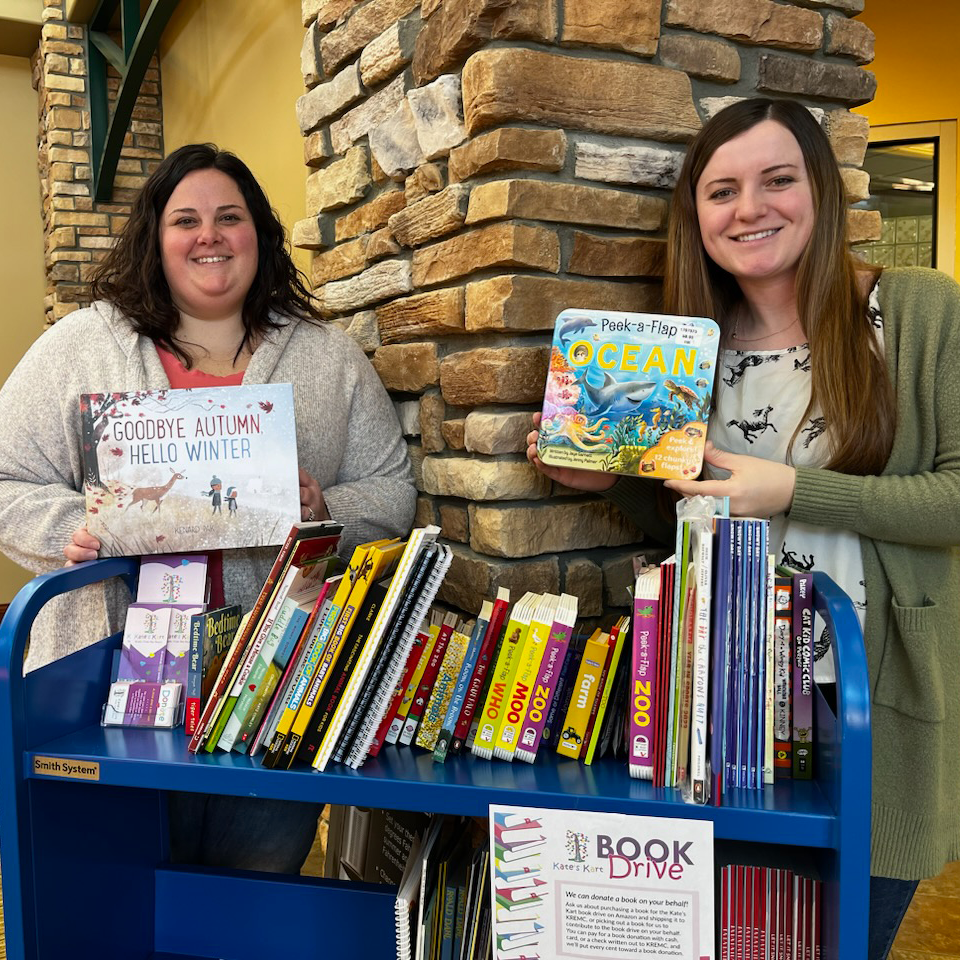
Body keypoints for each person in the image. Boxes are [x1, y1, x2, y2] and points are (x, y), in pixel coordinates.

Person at [527, 98, 960, 959]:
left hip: (864, 703)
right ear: (696, 217)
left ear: (821, 191)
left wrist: (796, 489)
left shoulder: (915, 312)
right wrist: (605, 475)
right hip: (718, 706)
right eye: (722, 190)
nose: (749, 208)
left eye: (777, 180)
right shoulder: (686, 347)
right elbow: (703, 504)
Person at [0, 143, 416, 873]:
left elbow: (392, 491)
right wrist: (78, 528)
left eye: (230, 216)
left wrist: (328, 510)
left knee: (251, 897)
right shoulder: (79, 348)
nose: (209, 235)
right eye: (185, 220)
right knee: (110, 902)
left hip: (271, 690)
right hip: (103, 697)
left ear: (258, 231)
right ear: (154, 242)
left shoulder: (328, 359)